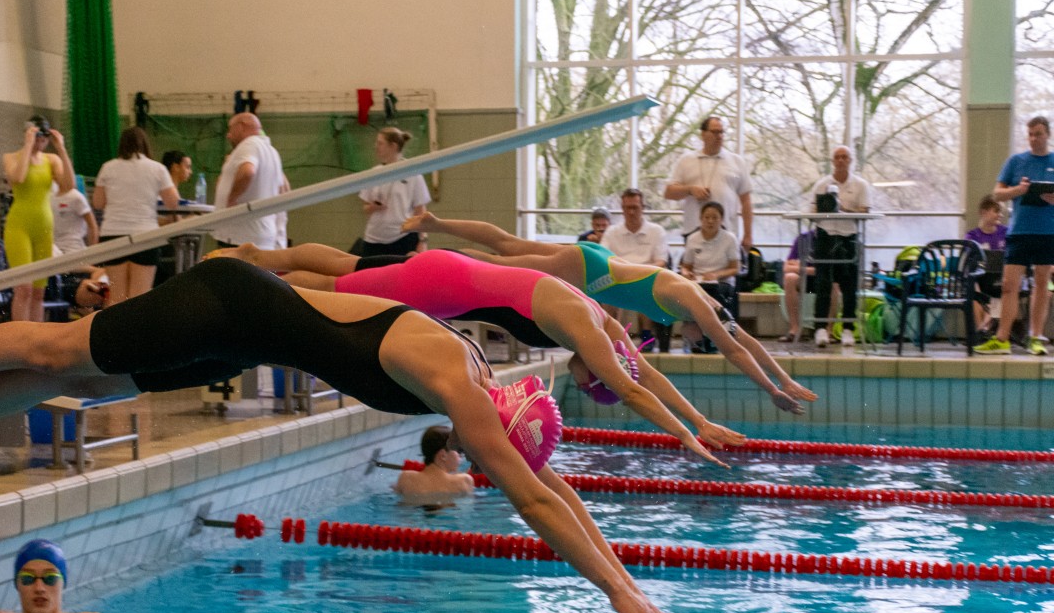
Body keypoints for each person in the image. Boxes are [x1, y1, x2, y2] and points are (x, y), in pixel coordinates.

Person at [0, 257, 692, 613]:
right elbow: (534, 499)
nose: (486, 464)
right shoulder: (460, 389)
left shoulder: (480, 390)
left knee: (94, 386)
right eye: (493, 456)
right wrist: (616, 592)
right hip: (225, 304)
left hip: (244, 336)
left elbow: (547, 488)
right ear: (497, 429)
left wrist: (623, 574)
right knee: (55, 350)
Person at [206, 243, 743, 456]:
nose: (582, 381)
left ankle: (262, 259)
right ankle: (251, 275)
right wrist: (684, 436)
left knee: (350, 269)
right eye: (588, 385)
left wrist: (698, 420)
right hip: (440, 287)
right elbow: (631, 389)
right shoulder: (590, 333)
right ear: (596, 373)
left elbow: (644, 374)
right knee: (330, 291)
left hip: (450, 275)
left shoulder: (606, 326)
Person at [403, 211, 818, 414]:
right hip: (593, 273)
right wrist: (771, 391)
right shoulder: (697, 306)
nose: (696, 342)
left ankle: (435, 223)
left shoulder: (709, 306)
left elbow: (745, 342)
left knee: (508, 246)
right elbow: (734, 350)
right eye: (701, 341)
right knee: (498, 263)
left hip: (597, 262)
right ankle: (432, 261)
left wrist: (783, 380)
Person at [974, 116, 1054, 356]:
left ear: (1048, 135)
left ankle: (1035, 338)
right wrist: (1018, 190)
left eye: (1038, 134)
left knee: (1042, 284)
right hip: (1019, 232)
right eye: (1030, 134)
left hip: (1047, 232)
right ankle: (1002, 339)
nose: (1033, 139)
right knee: (1009, 285)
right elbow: (997, 194)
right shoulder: (1016, 162)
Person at [92, 126, 181, 305]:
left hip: (113, 234)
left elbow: (98, 203)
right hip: (145, 235)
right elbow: (173, 202)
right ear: (145, 145)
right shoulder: (157, 169)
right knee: (139, 299)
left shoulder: (108, 168)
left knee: (116, 298)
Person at [2, 116, 76, 322]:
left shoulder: (52, 160)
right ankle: (20, 336)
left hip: (44, 229)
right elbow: (18, 178)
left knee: (38, 292)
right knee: (23, 288)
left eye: (44, 137)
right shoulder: (11, 157)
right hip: (19, 228)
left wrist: (61, 149)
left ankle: (36, 336)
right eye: (37, 136)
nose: (41, 141)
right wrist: (28, 146)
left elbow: (69, 186)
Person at [807, 146, 871, 348]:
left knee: (849, 286)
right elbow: (812, 211)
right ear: (832, 161)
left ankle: (848, 329)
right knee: (823, 284)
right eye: (837, 157)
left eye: (845, 157)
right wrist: (825, 208)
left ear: (851, 160)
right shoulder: (822, 184)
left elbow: (865, 211)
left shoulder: (861, 185)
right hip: (826, 235)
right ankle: (820, 329)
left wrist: (843, 209)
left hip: (848, 237)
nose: (841, 160)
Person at [664, 116, 754, 251]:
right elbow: (668, 193)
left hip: (727, 231)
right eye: (715, 132)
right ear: (703, 134)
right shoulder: (686, 160)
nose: (719, 136)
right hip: (694, 230)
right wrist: (690, 190)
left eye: (722, 132)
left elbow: (746, 201)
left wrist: (748, 234)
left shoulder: (736, 161)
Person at [600, 188, 670, 342]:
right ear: (622, 209)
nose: (631, 212)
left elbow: (661, 261)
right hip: (618, 276)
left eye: (635, 208)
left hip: (646, 276)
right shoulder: (611, 232)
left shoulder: (656, 231)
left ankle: (646, 335)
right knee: (606, 290)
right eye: (628, 208)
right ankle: (613, 337)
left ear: (642, 208)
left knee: (644, 287)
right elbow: (603, 258)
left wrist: (639, 273)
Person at [212, 113, 288, 251]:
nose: (228, 135)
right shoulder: (272, 152)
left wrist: (231, 199)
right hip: (262, 235)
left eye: (230, 129)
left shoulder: (249, 144)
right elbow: (285, 189)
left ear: (241, 126)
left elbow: (248, 171)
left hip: (239, 236)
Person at [355, 127, 431, 256]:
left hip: (402, 237)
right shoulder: (374, 173)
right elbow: (365, 208)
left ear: (393, 146)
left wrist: (423, 240)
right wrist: (373, 207)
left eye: (380, 143)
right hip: (374, 239)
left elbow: (420, 210)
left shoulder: (413, 174)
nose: (376, 147)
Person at [679, 200, 741, 351]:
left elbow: (735, 268)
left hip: (722, 283)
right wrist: (686, 273)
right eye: (707, 217)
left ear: (721, 220)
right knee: (690, 295)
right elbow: (686, 266)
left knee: (713, 294)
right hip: (698, 282)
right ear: (701, 219)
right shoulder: (693, 238)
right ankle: (695, 339)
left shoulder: (729, 238)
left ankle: (715, 339)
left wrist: (716, 275)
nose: (710, 221)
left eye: (715, 217)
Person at [394, 424, 475, 506]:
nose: (460, 455)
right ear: (443, 455)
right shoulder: (463, 481)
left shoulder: (406, 478)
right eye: (458, 451)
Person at [965, 195, 1009, 339]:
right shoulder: (972, 236)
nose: (1000, 215)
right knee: (973, 286)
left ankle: (985, 327)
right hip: (981, 280)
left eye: (1001, 211)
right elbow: (969, 261)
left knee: (1004, 284)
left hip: (1002, 279)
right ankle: (982, 330)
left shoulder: (1006, 233)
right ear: (984, 212)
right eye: (996, 211)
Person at [52, 183, 99, 256]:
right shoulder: (50, 198)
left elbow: (92, 226)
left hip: (75, 249)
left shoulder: (76, 197)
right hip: (56, 249)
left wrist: (92, 253)